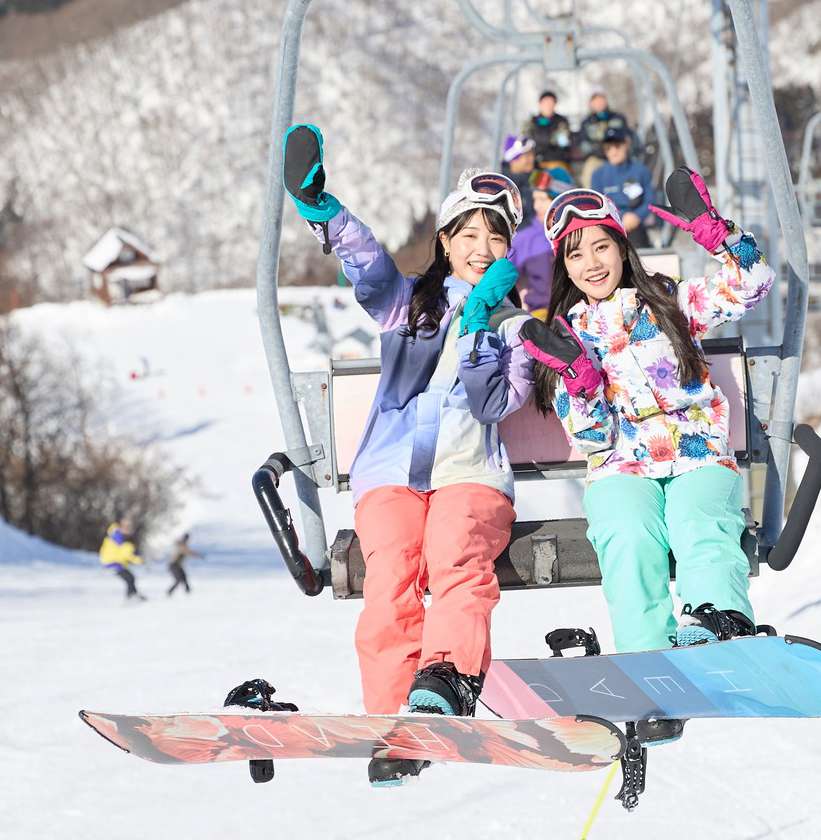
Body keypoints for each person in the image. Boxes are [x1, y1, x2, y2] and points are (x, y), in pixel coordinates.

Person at [282, 124, 535, 787]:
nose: (482, 248)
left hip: (470, 474)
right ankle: (395, 721)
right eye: (469, 234)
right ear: (445, 242)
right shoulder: (409, 307)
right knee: (389, 576)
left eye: (496, 237)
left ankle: (444, 685)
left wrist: (480, 326)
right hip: (390, 473)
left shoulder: (515, 327)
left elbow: (497, 403)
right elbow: (368, 266)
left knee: (457, 558)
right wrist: (324, 210)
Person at [517, 171, 775, 746]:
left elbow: (754, 283)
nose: (592, 263)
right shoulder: (566, 337)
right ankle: (650, 670)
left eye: (600, 246)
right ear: (563, 267)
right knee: (628, 537)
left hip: (697, 454)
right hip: (620, 465)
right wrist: (580, 380)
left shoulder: (668, 300)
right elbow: (590, 437)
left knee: (696, 522)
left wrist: (719, 236)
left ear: (621, 246)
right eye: (575, 255)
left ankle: (716, 621)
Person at [511, 165, 573, 321]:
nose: (536, 206)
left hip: (575, 313)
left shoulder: (577, 235)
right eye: (535, 199)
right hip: (540, 316)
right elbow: (500, 280)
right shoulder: (524, 239)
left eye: (543, 199)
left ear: (561, 202)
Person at [589, 126, 655, 248]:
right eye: (608, 147)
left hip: (636, 227)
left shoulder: (640, 170)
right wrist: (621, 216)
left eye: (617, 145)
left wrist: (637, 216)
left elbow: (650, 200)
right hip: (611, 228)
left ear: (626, 144)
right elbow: (596, 205)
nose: (613, 151)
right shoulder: (598, 175)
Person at [575, 88, 631, 189]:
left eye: (601, 99)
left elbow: (627, 137)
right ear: (591, 103)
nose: (598, 103)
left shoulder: (617, 118)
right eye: (595, 100)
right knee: (589, 172)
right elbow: (582, 144)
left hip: (618, 155)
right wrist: (599, 149)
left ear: (606, 100)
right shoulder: (587, 122)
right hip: (597, 157)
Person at [522, 90, 573, 172]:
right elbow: (524, 139)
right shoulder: (532, 122)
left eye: (551, 103)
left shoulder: (561, 122)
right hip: (534, 161)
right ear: (540, 104)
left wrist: (538, 139)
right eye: (546, 103)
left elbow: (562, 142)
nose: (548, 106)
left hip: (556, 160)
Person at [99, 517, 146, 601]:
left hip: (114, 563)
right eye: (128, 527)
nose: (130, 530)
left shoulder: (114, 535)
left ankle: (132, 594)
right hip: (113, 563)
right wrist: (139, 560)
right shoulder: (119, 538)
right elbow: (128, 553)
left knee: (130, 577)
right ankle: (131, 595)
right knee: (130, 578)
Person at [501, 134, 538, 230]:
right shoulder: (501, 188)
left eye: (532, 154)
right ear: (513, 160)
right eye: (527, 155)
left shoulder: (541, 179)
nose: (532, 158)